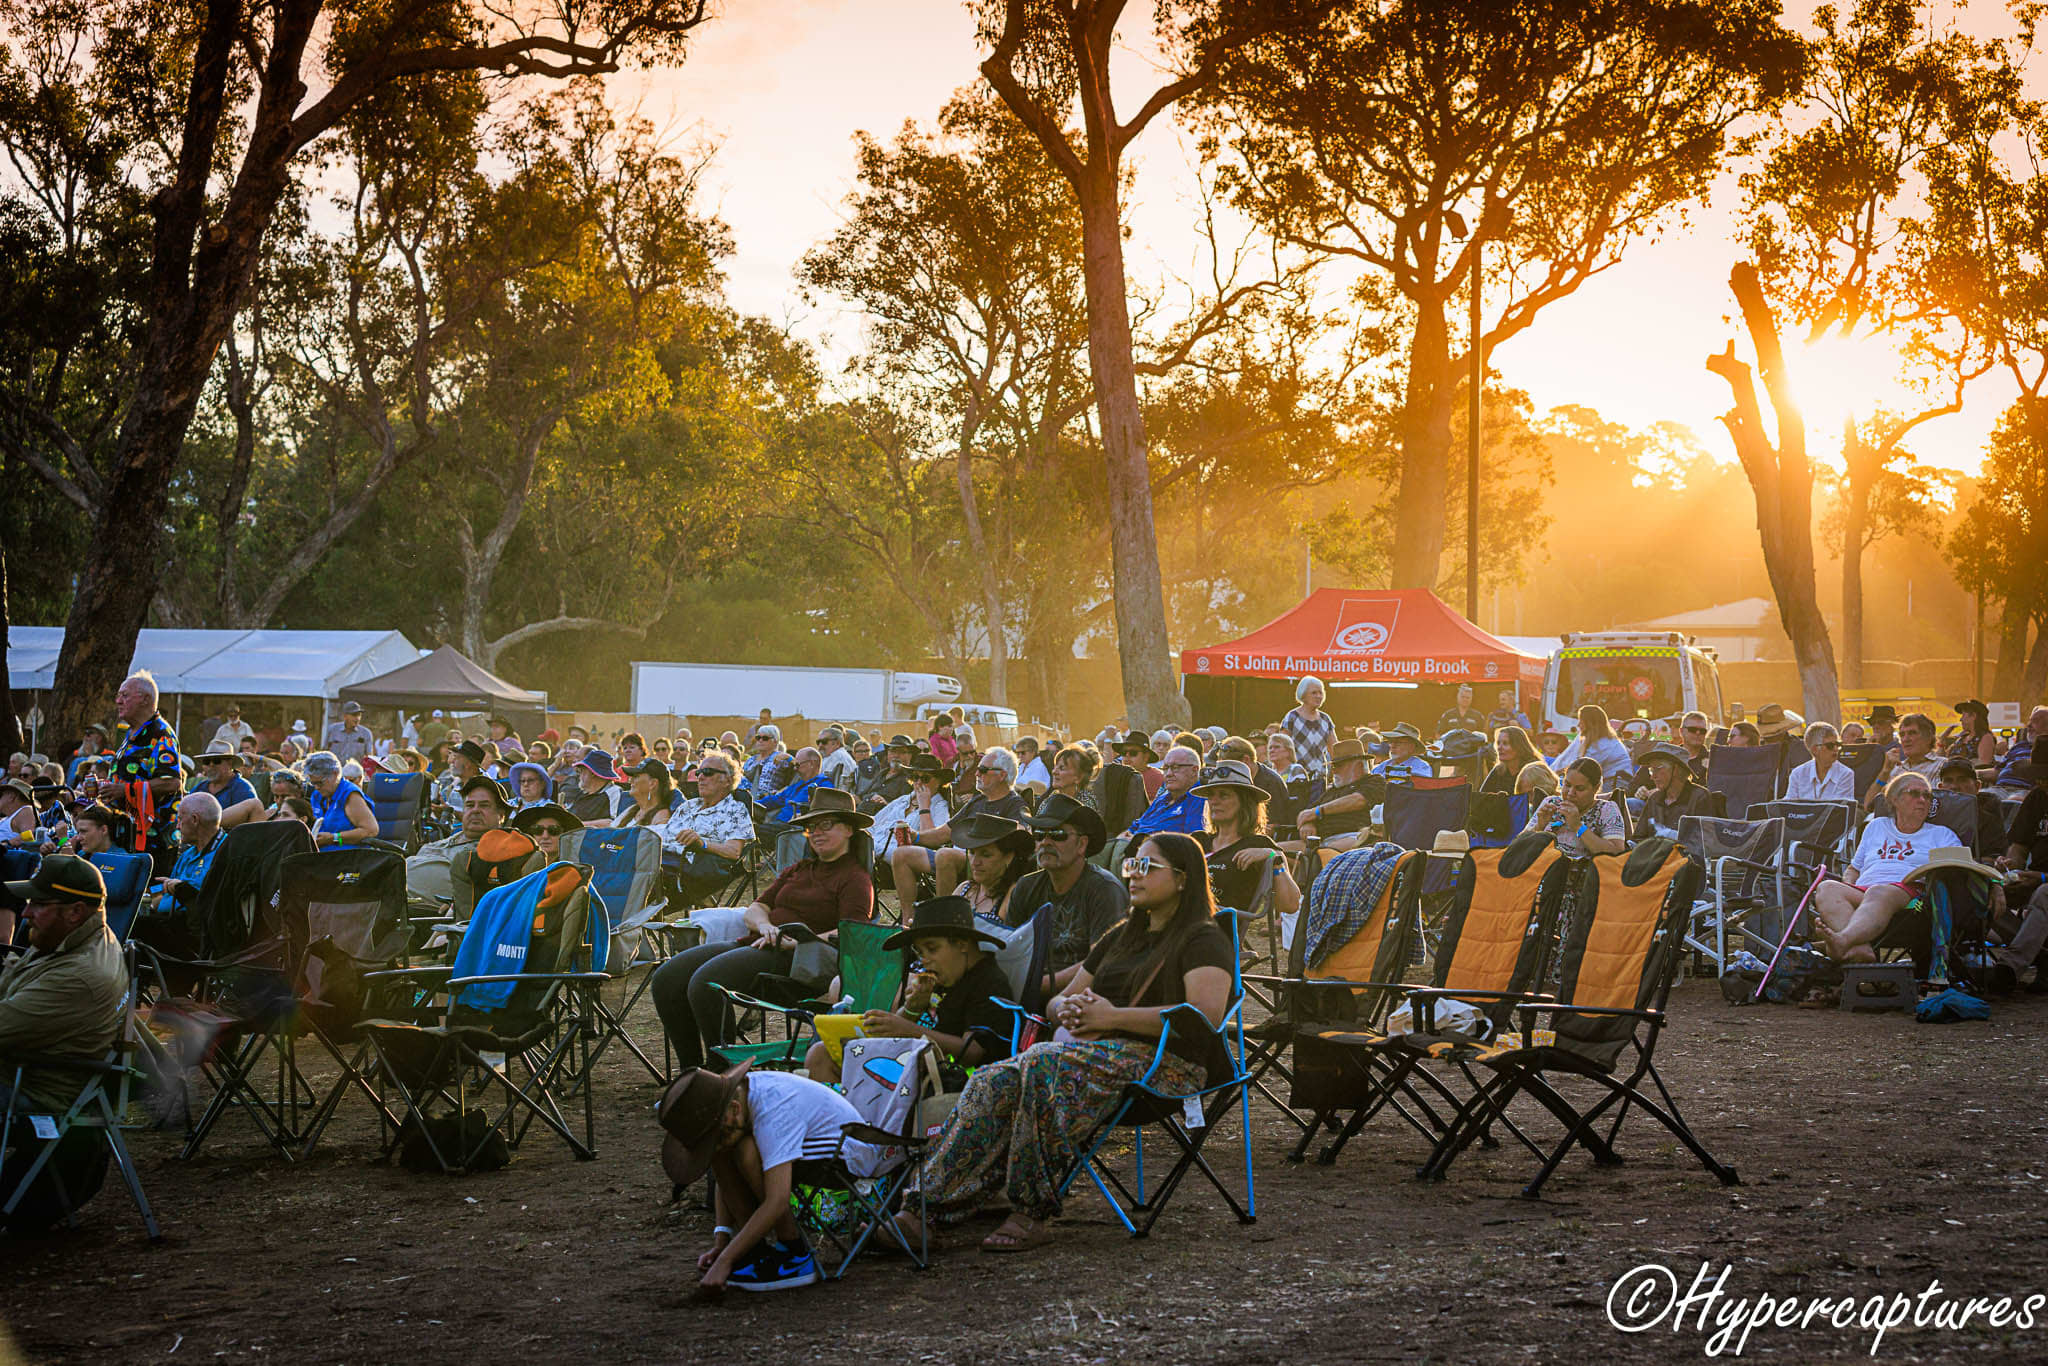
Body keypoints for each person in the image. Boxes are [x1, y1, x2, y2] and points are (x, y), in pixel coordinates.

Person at [895, 832, 1230, 1253]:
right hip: (1094, 1053)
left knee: (1042, 1063)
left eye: (1147, 867)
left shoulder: (1203, 938)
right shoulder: (1121, 936)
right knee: (991, 1079)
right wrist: (1068, 1012)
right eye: (1131, 866)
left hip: (1167, 1064)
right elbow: (1057, 1000)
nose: (1134, 875)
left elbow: (1202, 1017)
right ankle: (923, 1209)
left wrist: (1112, 1017)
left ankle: (1032, 1210)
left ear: (1182, 879)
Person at [650, 788, 875, 1072]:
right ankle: (691, 1071)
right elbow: (756, 908)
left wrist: (799, 942)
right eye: (811, 827)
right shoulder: (799, 869)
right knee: (667, 977)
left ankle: (722, 1071)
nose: (816, 833)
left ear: (849, 829)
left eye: (826, 825)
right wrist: (767, 926)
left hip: (798, 962)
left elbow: (853, 934)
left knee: (705, 983)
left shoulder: (855, 878)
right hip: (759, 942)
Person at [805, 895, 1015, 1087]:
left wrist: (908, 1028)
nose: (924, 960)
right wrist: (912, 1009)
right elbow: (899, 1030)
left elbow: (972, 1053)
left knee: (826, 1057)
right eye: (919, 952)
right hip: (912, 1064)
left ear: (961, 944)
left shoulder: (988, 983)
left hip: (951, 1081)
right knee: (821, 1054)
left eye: (932, 949)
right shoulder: (947, 974)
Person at [0, 855, 126, 1115]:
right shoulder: (71, 937)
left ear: (75, 911)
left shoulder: (78, 976)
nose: (25, 913)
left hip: (32, 1091)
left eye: (38, 904)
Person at [1815, 771, 1964, 963]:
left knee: (1878, 891)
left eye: (1927, 795)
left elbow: (1961, 867)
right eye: (1914, 793)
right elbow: (1854, 869)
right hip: (1865, 890)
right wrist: (1848, 886)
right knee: (1826, 888)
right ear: (1894, 799)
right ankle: (1862, 950)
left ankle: (1843, 941)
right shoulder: (1876, 826)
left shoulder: (1942, 835)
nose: (1922, 800)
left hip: (1909, 895)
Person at [1005, 794, 1127, 998]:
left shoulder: (1105, 890)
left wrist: (1039, 985)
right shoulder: (1026, 886)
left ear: (1082, 844)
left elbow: (1101, 961)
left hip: (1081, 997)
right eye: (1039, 834)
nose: (1045, 842)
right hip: (1025, 991)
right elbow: (1011, 950)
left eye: (1057, 834)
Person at [891, 747, 1028, 898]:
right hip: (959, 857)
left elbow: (1023, 834)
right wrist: (915, 836)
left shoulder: (1015, 804)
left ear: (1002, 775)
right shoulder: (977, 801)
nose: (976, 773)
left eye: (982, 770)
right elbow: (944, 833)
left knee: (944, 855)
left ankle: (947, 916)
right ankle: (907, 919)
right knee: (900, 854)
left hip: (983, 860)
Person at [1196, 760, 1299, 941]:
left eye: (1224, 795)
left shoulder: (1257, 844)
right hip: (1182, 920)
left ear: (1245, 802)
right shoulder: (1199, 840)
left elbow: (1290, 904)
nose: (1214, 801)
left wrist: (1275, 856)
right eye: (1211, 795)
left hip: (1215, 932)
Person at [103, 670, 181, 861]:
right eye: (118, 695)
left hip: (153, 842)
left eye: (125, 695)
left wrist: (125, 790)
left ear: (145, 699)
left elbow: (172, 782)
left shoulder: (160, 734)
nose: (118, 701)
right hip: (126, 834)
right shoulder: (132, 733)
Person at [661, 752, 755, 906]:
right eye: (699, 773)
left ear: (727, 780)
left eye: (708, 772)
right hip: (660, 861)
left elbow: (734, 851)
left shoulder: (735, 810)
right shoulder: (688, 806)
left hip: (686, 872)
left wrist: (701, 843)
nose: (700, 777)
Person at [406, 775, 510, 901]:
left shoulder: (499, 850)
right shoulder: (442, 841)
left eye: (484, 805)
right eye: (470, 805)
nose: (475, 810)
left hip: (431, 914)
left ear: (501, 815)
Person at [1525, 758, 1627, 856]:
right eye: (1567, 785)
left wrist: (1578, 826)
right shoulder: (1551, 802)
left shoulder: (1607, 809)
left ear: (1595, 789)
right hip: (1540, 867)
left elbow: (1617, 852)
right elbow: (1518, 845)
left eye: (1580, 788)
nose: (1570, 793)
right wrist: (1539, 826)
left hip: (1582, 871)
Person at [1291, 739, 1380, 851]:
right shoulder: (1333, 790)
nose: (1334, 771)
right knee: (1275, 852)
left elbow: (1358, 800)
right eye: (1333, 766)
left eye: (1338, 766)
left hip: (1355, 837)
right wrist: (1308, 823)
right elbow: (1305, 813)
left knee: (1320, 855)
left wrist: (1317, 812)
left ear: (1358, 766)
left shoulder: (1374, 781)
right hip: (1319, 841)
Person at [147, 791, 225, 918]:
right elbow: (167, 892)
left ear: (195, 820)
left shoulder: (225, 852)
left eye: (179, 820)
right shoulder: (188, 854)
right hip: (168, 919)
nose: (177, 827)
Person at [955, 815, 1032, 922]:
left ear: (1008, 857)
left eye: (986, 855)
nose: (975, 862)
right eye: (972, 853)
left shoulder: (1013, 894)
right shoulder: (964, 889)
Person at [1122, 745, 1206, 839]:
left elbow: (1192, 842)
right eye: (1165, 768)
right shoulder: (1162, 799)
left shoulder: (1199, 799)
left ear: (1194, 770)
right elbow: (1134, 827)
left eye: (1175, 767)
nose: (1169, 774)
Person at [304, 750, 380, 851]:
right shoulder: (317, 795)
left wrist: (334, 838)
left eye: (320, 783)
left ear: (335, 774)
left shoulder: (349, 795)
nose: (317, 787)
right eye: (313, 783)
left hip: (348, 857)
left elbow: (371, 830)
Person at [1636, 744, 1713, 838]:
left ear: (1676, 770)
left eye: (1657, 769)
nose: (1652, 777)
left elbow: (1703, 842)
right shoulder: (1655, 798)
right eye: (1651, 770)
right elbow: (1638, 837)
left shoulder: (1700, 797)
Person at [1555, 705, 1631, 781]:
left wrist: (1556, 773)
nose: (1578, 725)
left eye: (1581, 721)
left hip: (1617, 782)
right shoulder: (1598, 740)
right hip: (1609, 780)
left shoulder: (1603, 743)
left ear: (1590, 723)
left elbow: (1581, 768)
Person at [1785, 722, 1855, 803]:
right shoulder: (1797, 774)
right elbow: (1789, 805)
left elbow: (1840, 810)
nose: (1836, 749)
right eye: (1830, 746)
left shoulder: (1846, 774)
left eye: (1838, 744)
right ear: (1815, 749)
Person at [1283, 675, 1337, 780]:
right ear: (1303, 695)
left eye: (1320, 693)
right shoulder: (1292, 717)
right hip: (1296, 777)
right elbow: (1282, 747)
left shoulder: (1326, 719)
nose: (1318, 696)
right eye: (1314, 693)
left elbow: (1335, 750)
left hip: (1320, 778)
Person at [759, 747, 826, 826]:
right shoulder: (797, 785)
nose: (794, 769)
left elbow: (824, 810)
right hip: (777, 824)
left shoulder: (823, 784)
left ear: (811, 764)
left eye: (797, 765)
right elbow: (775, 799)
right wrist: (751, 803)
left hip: (794, 828)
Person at [617, 758, 677, 830]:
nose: (630, 780)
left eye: (636, 776)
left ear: (652, 784)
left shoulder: (661, 817)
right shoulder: (632, 810)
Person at [509, 801, 580, 862]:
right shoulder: (518, 866)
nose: (545, 836)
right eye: (538, 830)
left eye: (554, 830)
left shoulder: (575, 868)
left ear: (565, 835)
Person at [564, 749, 619, 826]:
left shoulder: (613, 792)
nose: (579, 775)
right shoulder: (582, 794)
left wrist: (579, 825)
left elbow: (614, 822)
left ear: (592, 773)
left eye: (581, 771)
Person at [1482, 726, 1542, 795]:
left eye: (1505, 743)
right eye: (1498, 743)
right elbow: (1482, 796)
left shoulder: (1534, 770)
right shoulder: (1498, 770)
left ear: (1518, 746)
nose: (1499, 747)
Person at [1112, 731, 1165, 801]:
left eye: (1133, 753)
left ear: (1146, 757)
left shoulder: (1157, 777)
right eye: (1124, 752)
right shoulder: (1116, 776)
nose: (1127, 756)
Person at [1047, 744, 1098, 808]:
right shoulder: (1050, 799)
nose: (1054, 772)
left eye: (1062, 768)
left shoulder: (1085, 806)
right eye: (1055, 767)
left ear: (1079, 777)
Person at [1950, 700, 1997, 768]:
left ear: (1973, 716)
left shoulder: (1985, 737)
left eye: (1963, 715)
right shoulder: (1962, 738)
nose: (1961, 719)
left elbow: (1984, 765)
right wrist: (1942, 742)